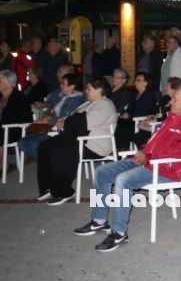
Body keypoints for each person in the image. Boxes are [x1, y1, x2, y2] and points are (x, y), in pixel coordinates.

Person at [73, 86, 181, 252]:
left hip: (164, 170)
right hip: (147, 161)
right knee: (102, 172)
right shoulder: (172, 117)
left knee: (123, 180)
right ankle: (99, 221)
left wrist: (148, 158)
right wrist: (143, 152)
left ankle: (119, 233)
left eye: (175, 99)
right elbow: (155, 143)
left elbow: (178, 154)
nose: (171, 102)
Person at [37, 76, 117, 205]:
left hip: (95, 145)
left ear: (99, 90)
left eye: (89, 89)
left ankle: (64, 191)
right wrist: (63, 121)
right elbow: (72, 119)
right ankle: (48, 186)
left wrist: (66, 122)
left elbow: (84, 123)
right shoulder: (88, 103)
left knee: (61, 150)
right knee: (45, 146)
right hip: (79, 139)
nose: (86, 91)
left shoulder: (105, 104)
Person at [19, 72, 85, 160]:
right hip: (48, 127)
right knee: (22, 142)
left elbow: (63, 118)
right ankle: (48, 163)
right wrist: (42, 118)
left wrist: (47, 119)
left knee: (32, 144)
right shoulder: (62, 96)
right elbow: (50, 110)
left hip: (58, 131)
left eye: (63, 84)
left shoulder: (75, 100)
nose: (60, 85)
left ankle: (49, 163)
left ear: (72, 86)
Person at [114, 72, 159, 150]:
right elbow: (129, 108)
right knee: (118, 122)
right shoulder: (135, 95)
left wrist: (129, 116)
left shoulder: (149, 95)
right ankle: (118, 148)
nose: (135, 83)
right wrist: (126, 113)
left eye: (138, 81)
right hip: (131, 120)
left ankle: (121, 148)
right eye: (135, 80)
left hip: (141, 121)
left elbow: (144, 112)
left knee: (122, 127)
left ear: (145, 83)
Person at [0, 70, 34, 167]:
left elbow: (14, 118)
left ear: (8, 83)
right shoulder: (2, 97)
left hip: (16, 129)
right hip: (5, 127)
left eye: (0, 81)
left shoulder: (19, 98)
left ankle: (2, 164)